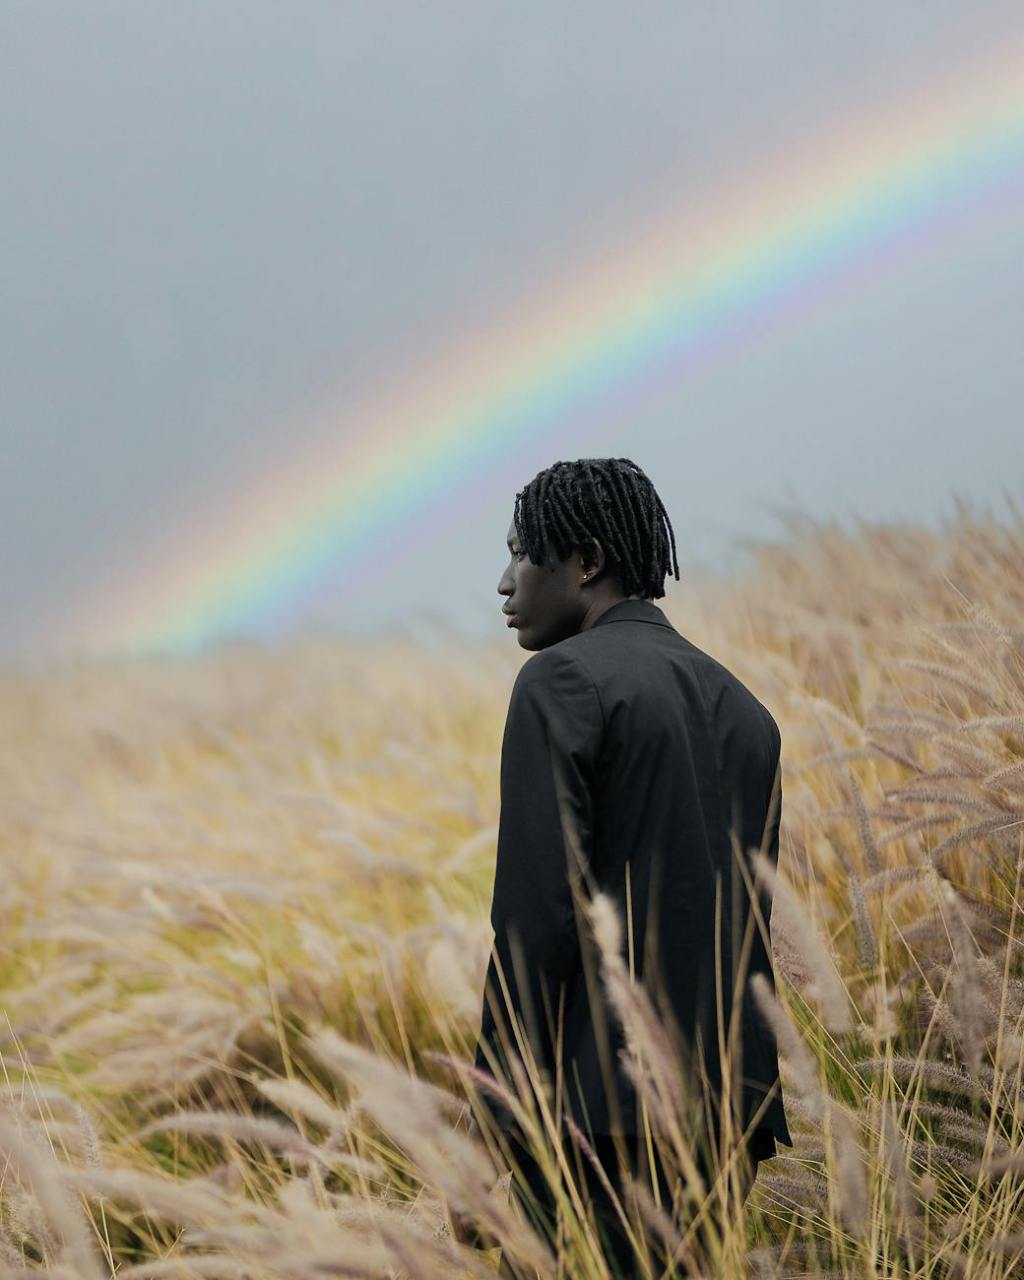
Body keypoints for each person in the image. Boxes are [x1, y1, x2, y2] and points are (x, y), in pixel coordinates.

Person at [470, 457, 792, 1274]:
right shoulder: (748, 711)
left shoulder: (560, 683)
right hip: (729, 1117)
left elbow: (537, 920)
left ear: (585, 562)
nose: (505, 584)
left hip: (596, 1118)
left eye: (522, 554)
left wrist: (495, 1117)